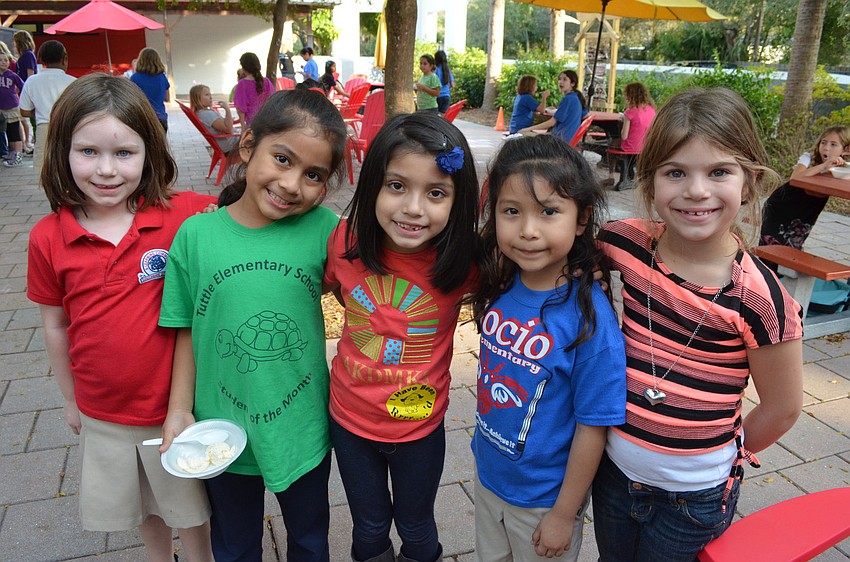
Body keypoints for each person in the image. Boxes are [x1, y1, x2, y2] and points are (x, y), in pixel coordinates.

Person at [593, 87, 804, 562]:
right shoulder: (622, 244)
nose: (695, 190)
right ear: (650, 182)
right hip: (613, 474)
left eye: (719, 172)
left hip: (694, 498)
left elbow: (783, 407)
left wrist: (716, 456)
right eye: (675, 172)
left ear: (748, 182)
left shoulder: (760, 299)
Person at [26, 73, 215, 562]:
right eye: (88, 152)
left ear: (150, 151)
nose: (107, 170)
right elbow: (55, 324)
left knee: (190, 508)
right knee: (143, 506)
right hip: (104, 411)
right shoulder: (48, 237)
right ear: (60, 151)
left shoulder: (183, 217)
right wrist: (70, 400)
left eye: (124, 154)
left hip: (175, 409)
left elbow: (248, 216)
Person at [158, 89, 348, 562]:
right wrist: (179, 409)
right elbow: (186, 328)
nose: (291, 184)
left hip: (301, 426)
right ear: (248, 146)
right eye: (281, 159)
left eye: (313, 175)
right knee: (235, 546)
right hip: (219, 432)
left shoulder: (326, 230)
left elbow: (368, 295)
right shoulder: (197, 235)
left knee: (309, 539)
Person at [324, 112, 480, 562]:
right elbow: (335, 287)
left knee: (416, 524)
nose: (413, 208)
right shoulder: (344, 241)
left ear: (458, 200)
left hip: (419, 427)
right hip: (349, 421)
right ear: (372, 183)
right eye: (397, 186)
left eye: (436, 193)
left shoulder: (466, 259)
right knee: (369, 526)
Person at [471, 134, 626, 562]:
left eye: (549, 212)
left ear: (581, 219)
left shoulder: (588, 320)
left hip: (544, 502)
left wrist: (564, 513)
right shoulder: (502, 283)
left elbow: (593, 425)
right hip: (490, 480)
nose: (528, 231)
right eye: (511, 211)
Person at [759, 125, 850, 256]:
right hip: (782, 205)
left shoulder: (843, 168)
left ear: (846, 150)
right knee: (770, 246)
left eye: (833, 145)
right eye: (823, 142)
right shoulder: (808, 158)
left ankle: (781, 274)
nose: (826, 148)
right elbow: (795, 178)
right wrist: (824, 166)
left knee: (793, 246)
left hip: (807, 211)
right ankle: (765, 274)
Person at [18, 40, 75, 175]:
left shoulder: (32, 81)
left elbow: (24, 111)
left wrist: (39, 111)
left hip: (43, 127)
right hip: (66, 126)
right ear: (65, 59)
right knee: (67, 161)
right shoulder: (73, 81)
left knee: (44, 166)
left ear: (41, 59)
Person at [602, 81, 656, 187]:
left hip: (631, 147)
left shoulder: (630, 111)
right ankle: (633, 175)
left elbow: (624, 136)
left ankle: (611, 177)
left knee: (611, 144)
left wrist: (623, 120)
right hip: (646, 146)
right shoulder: (652, 110)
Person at [519, 70, 587, 144]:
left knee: (522, 135)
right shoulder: (576, 97)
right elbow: (585, 113)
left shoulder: (568, 99)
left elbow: (552, 122)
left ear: (572, 83)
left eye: (564, 79)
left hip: (560, 141)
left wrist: (528, 129)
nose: (560, 82)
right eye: (559, 79)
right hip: (566, 139)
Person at [189, 83, 238, 154]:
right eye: (207, 95)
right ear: (197, 99)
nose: (211, 97)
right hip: (231, 146)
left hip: (226, 143)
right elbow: (229, 129)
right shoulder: (207, 114)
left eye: (210, 94)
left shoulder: (201, 113)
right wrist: (227, 109)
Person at [130, 48, 170, 132]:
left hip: (143, 118)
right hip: (160, 117)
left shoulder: (135, 78)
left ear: (140, 60)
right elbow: (167, 98)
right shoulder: (162, 77)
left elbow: (131, 99)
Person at [233, 52, 273, 127]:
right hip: (267, 122)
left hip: (252, 123)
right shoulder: (266, 81)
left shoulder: (242, 84)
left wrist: (242, 126)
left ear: (244, 67)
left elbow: (241, 107)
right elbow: (272, 100)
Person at [0, 50, 25, 167]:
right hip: (1, 109)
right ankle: (11, 154)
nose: (3, 62)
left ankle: (18, 155)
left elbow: (23, 86)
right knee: (6, 133)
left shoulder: (12, 75)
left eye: (5, 60)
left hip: (12, 108)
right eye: (0, 60)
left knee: (14, 132)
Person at [13, 30, 36, 153]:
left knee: (29, 117)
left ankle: (30, 142)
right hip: (22, 90)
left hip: (28, 90)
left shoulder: (28, 55)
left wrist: (28, 89)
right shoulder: (24, 55)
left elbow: (30, 73)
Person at [434, 50, 454, 115]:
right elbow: (452, 84)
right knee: (443, 117)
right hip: (446, 96)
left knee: (436, 117)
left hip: (437, 96)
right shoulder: (447, 70)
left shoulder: (436, 70)